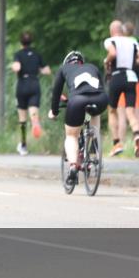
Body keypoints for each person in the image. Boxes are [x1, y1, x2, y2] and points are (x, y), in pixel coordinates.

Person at [48, 51, 109, 188]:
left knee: (71, 135)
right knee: (93, 114)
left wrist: (54, 111)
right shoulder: (92, 67)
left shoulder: (64, 69)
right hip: (100, 99)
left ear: (67, 63)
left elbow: (56, 93)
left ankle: (73, 166)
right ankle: (94, 144)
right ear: (82, 62)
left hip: (77, 100)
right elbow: (102, 87)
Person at [103, 19, 139, 158]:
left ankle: (117, 143)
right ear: (122, 30)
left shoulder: (110, 41)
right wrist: (132, 63)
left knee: (112, 110)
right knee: (130, 111)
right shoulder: (133, 42)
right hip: (131, 77)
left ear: (112, 31)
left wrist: (107, 61)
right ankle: (137, 135)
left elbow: (113, 54)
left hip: (117, 77)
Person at [11, 31, 52, 156]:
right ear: (31, 41)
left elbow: (17, 67)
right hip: (34, 84)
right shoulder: (36, 54)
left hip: (22, 85)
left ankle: (23, 145)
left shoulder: (18, 54)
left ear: (21, 42)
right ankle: (35, 122)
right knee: (33, 112)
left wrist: (15, 67)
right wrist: (38, 69)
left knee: (22, 118)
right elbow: (47, 70)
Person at [119, 20, 139, 133]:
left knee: (122, 116)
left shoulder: (119, 43)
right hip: (138, 82)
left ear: (123, 31)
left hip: (123, 81)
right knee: (137, 114)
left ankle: (120, 142)